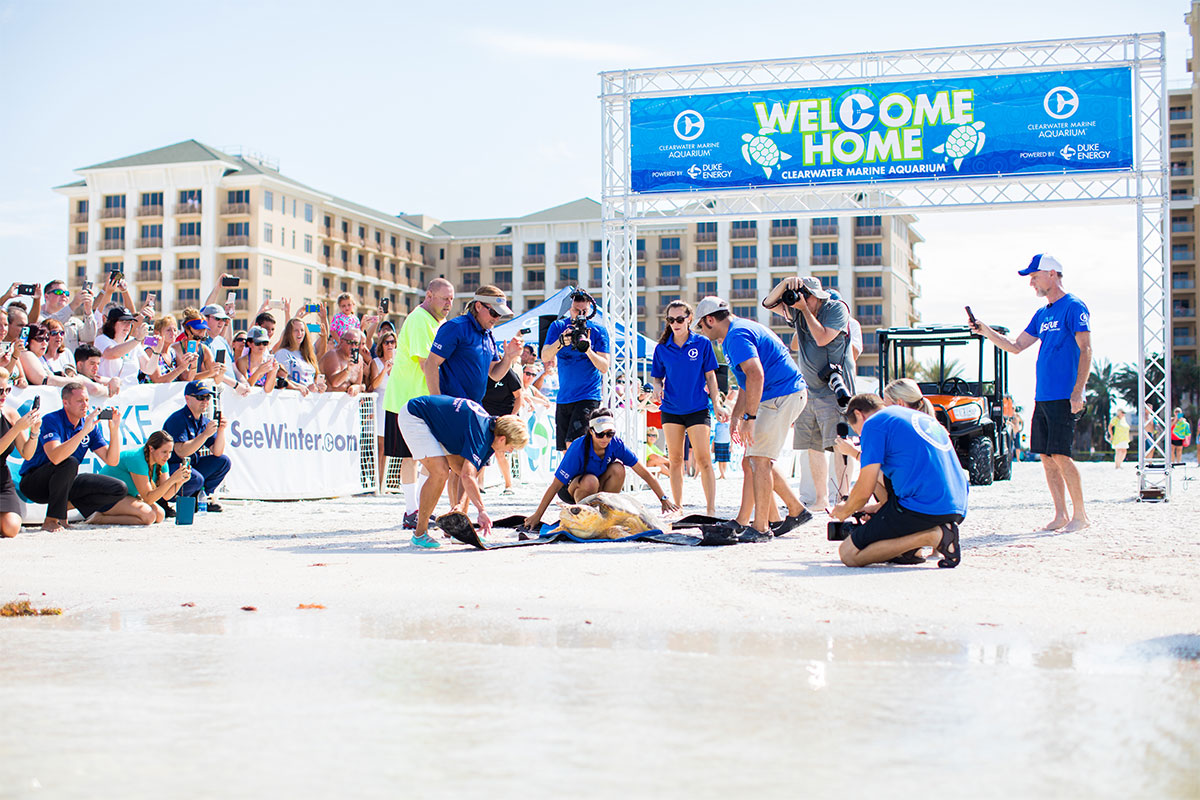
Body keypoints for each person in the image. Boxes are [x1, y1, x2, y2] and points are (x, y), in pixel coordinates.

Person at [970, 254, 1091, 531]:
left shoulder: (1073, 306)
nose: (1031, 283)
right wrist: (985, 330)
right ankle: (1061, 515)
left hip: (1064, 395)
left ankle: (1081, 516)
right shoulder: (1042, 313)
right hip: (1043, 396)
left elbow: (1086, 349)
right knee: (1047, 458)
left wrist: (1078, 392)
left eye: (1033, 277)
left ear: (1051, 274)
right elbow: (1015, 346)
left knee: (1062, 455)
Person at [693, 297, 810, 542]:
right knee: (752, 461)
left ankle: (761, 527)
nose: (702, 332)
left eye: (701, 326)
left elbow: (756, 374)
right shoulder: (735, 333)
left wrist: (751, 417)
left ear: (710, 319)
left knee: (759, 460)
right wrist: (737, 416)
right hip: (781, 394)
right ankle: (783, 513)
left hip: (781, 394)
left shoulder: (736, 336)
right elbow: (746, 382)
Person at [830, 393, 967, 568]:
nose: (860, 436)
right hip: (956, 506)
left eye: (857, 430)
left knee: (849, 554)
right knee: (882, 474)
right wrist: (878, 509)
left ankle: (935, 536)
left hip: (924, 507)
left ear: (858, 414)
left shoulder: (874, 424)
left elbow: (864, 488)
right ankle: (913, 548)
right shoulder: (913, 416)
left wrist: (846, 510)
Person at [763, 275, 856, 512]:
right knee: (813, 446)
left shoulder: (835, 308)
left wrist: (804, 310)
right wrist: (785, 284)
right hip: (808, 389)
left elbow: (822, 337)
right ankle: (821, 499)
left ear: (815, 295)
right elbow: (768, 303)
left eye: (805, 294)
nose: (800, 298)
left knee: (838, 444)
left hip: (834, 390)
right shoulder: (796, 311)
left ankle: (843, 497)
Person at [397, 394, 529, 548]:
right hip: (415, 415)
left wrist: (459, 505)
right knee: (440, 472)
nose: (510, 451)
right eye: (511, 447)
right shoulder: (482, 435)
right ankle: (419, 534)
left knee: (461, 470)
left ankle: (458, 532)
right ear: (502, 439)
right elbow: (468, 476)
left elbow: (467, 475)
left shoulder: (491, 431)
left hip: (437, 422)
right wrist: (482, 510)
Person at [524, 408, 679, 531]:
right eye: (600, 434)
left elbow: (643, 472)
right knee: (591, 480)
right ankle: (584, 518)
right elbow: (556, 486)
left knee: (618, 468)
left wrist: (664, 499)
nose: (605, 438)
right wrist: (537, 516)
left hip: (599, 487)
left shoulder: (616, 444)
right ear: (591, 431)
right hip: (574, 490)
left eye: (610, 433)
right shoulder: (578, 447)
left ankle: (607, 515)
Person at [383, 278, 454, 527]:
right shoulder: (419, 319)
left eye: (451, 299)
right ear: (429, 295)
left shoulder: (437, 321)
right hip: (406, 399)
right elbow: (427, 364)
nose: (449, 304)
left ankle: (421, 508)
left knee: (430, 456)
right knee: (410, 458)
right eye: (444, 298)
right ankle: (411, 510)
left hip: (423, 400)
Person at [17, 382, 130, 531]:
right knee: (70, 462)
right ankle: (51, 520)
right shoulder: (52, 420)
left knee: (118, 488)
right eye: (79, 401)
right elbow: (55, 458)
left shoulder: (89, 425)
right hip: (35, 482)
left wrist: (114, 430)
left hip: (64, 482)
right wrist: (83, 432)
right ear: (66, 403)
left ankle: (61, 511)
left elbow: (112, 460)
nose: (85, 405)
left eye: (87, 401)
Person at [650, 300, 725, 516]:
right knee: (675, 460)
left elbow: (711, 377)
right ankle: (678, 507)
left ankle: (710, 510)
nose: (675, 323)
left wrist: (717, 404)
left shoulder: (701, 343)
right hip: (671, 409)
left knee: (704, 460)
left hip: (698, 408)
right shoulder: (662, 348)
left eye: (680, 319)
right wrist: (656, 387)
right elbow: (657, 377)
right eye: (671, 319)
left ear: (689, 319)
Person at [425, 284, 521, 403]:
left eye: (499, 315)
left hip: (474, 406)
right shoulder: (456, 327)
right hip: (451, 405)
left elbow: (495, 375)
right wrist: (437, 401)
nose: (497, 319)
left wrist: (508, 357)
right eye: (494, 313)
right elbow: (431, 364)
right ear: (478, 306)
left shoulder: (488, 334)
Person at [541, 292, 611, 450]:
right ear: (569, 309)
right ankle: (573, 475)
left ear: (590, 310)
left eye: (583, 311)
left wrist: (588, 350)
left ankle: (581, 474)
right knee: (565, 449)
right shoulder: (558, 326)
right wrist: (560, 342)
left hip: (587, 396)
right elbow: (545, 356)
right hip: (564, 397)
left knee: (574, 443)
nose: (579, 314)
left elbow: (604, 366)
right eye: (575, 310)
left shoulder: (598, 331)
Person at [162, 380, 231, 512]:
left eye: (207, 397)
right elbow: (181, 451)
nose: (205, 401)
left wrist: (221, 430)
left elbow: (217, 452)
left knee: (223, 462)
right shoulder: (178, 419)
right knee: (195, 477)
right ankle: (166, 500)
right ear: (188, 399)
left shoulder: (203, 421)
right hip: (172, 466)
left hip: (189, 465)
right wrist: (204, 435)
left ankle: (202, 497)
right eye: (200, 397)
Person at [98, 430, 190, 525]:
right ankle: (99, 518)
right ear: (151, 449)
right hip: (104, 497)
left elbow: (166, 496)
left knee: (160, 515)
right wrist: (172, 479)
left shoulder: (162, 460)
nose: (168, 456)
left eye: (170, 452)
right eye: (164, 452)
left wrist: (179, 481)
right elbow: (148, 498)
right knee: (149, 517)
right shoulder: (138, 459)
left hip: (125, 496)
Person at [0, 367, 40, 536]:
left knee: (12, 528)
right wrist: (17, 428)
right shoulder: (14, 423)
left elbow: (27, 454)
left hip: (2, 480)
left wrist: (34, 432)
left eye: (7, 390)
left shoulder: (9, 413)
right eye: (0, 391)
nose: (4, 395)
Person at [480, 361, 522, 495]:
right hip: (486, 416)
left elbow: (519, 396)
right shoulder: (481, 372)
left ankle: (508, 484)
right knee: (481, 450)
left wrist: (512, 417)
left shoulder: (508, 373)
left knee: (500, 452)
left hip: (506, 415)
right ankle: (480, 484)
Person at [367, 329, 396, 491]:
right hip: (379, 404)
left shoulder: (400, 362)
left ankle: (385, 483)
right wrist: (385, 369)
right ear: (382, 345)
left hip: (394, 405)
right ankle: (376, 483)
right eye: (387, 342)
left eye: (393, 342)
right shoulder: (376, 363)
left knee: (390, 448)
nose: (390, 345)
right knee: (379, 447)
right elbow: (374, 385)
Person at [94, 307, 148, 385]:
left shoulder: (133, 341)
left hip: (132, 392)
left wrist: (157, 351)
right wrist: (137, 340)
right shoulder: (101, 339)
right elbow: (111, 353)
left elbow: (148, 368)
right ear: (112, 324)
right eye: (123, 321)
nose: (127, 325)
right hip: (110, 391)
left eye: (130, 322)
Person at [276, 317, 326, 395]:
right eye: (296, 330)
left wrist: (319, 386)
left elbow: (314, 378)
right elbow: (282, 379)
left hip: (309, 401)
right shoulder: (283, 353)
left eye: (302, 330)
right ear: (289, 333)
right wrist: (302, 387)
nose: (300, 333)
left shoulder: (309, 354)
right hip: (291, 399)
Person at [320, 327, 367, 395]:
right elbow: (335, 383)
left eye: (356, 343)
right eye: (350, 342)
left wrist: (356, 387)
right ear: (341, 341)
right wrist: (348, 370)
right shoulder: (332, 355)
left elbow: (358, 384)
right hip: (326, 400)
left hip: (346, 402)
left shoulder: (359, 359)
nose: (353, 346)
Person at [236, 326, 282, 392]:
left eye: (265, 343)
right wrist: (258, 372)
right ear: (249, 344)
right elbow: (246, 386)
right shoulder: (242, 361)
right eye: (257, 343)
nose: (262, 346)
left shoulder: (268, 362)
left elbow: (268, 389)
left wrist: (274, 371)